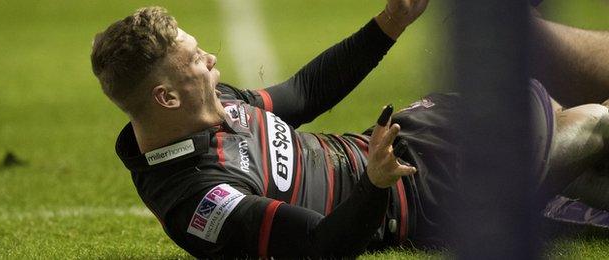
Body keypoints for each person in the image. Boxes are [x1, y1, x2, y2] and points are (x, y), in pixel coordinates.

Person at [90, 1, 609, 258]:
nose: (211, 58)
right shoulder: (200, 199)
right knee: (594, 123)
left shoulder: (208, 106)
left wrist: (390, 23)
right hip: (421, 194)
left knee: (569, 138)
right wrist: (375, 184)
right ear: (166, 96)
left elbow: (303, 94)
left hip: (403, 137)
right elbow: (322, 245)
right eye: (195, 60)